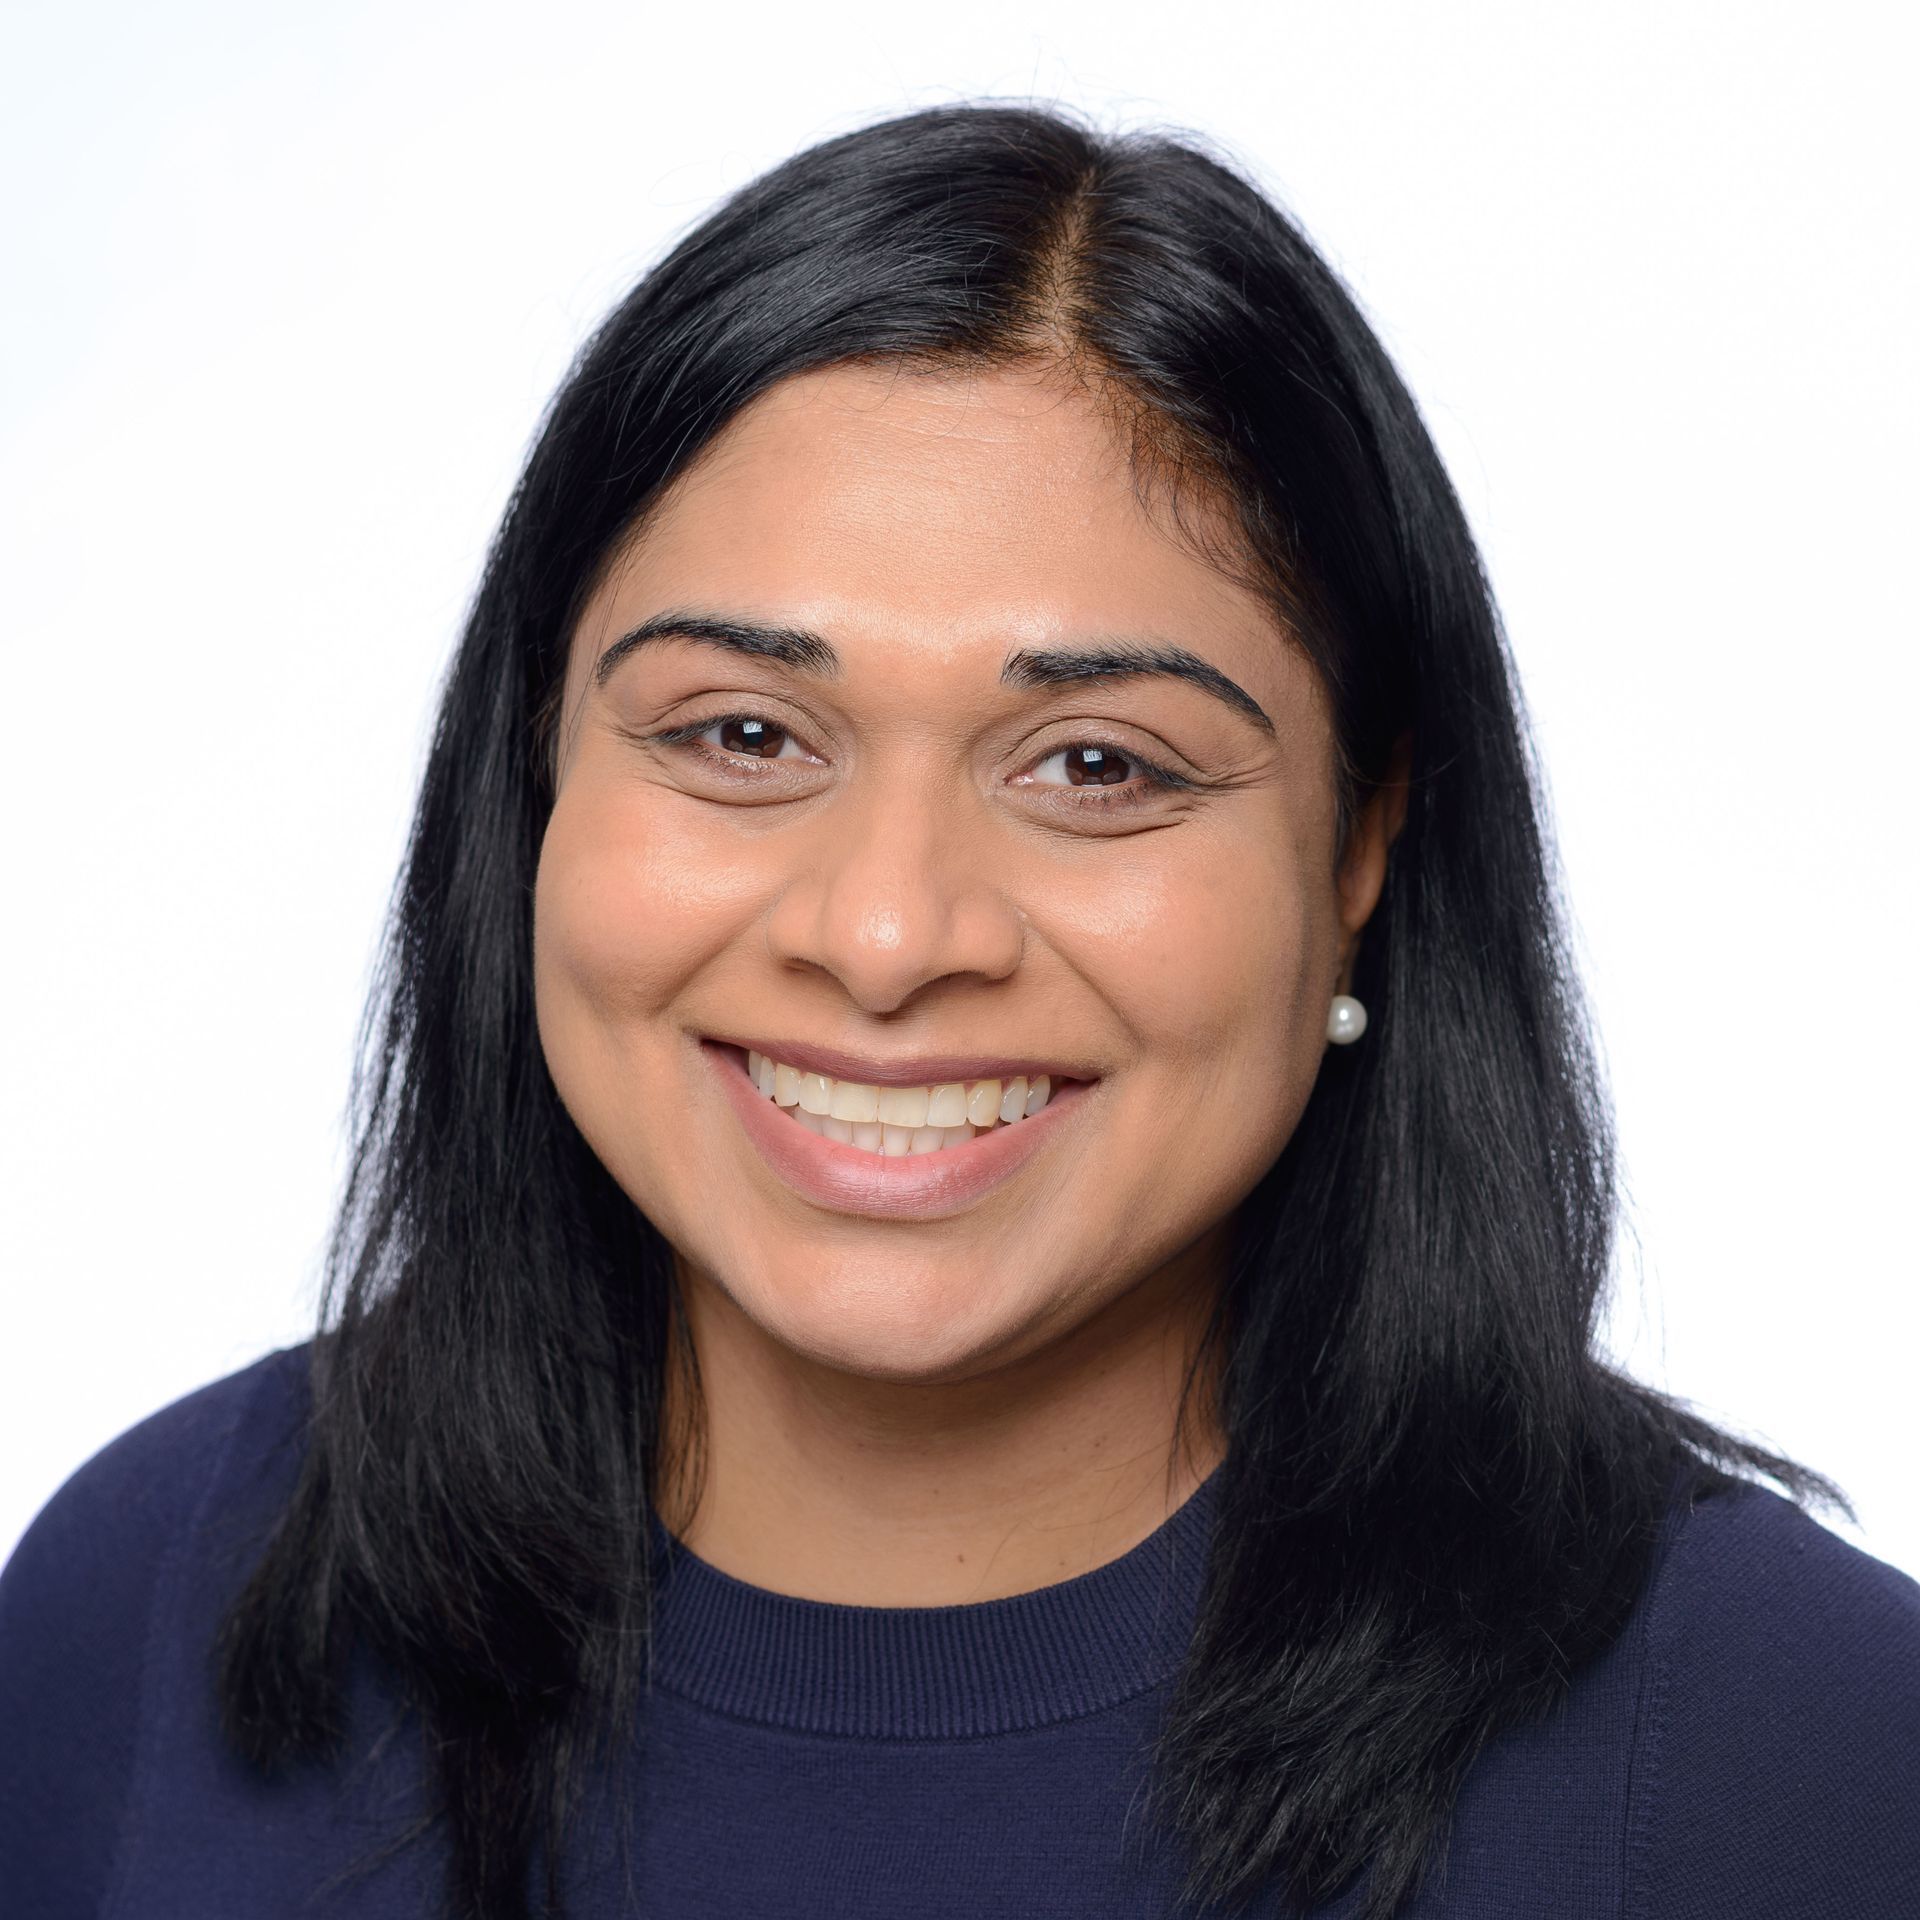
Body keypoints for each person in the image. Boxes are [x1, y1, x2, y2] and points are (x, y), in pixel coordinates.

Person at [2, 101, 1915, 1920]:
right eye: (743, 735)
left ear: (1362, 850)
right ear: (538, 776)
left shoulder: (1796, 1759)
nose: (889, 932)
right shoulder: (151, 1597)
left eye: (1096, 765)